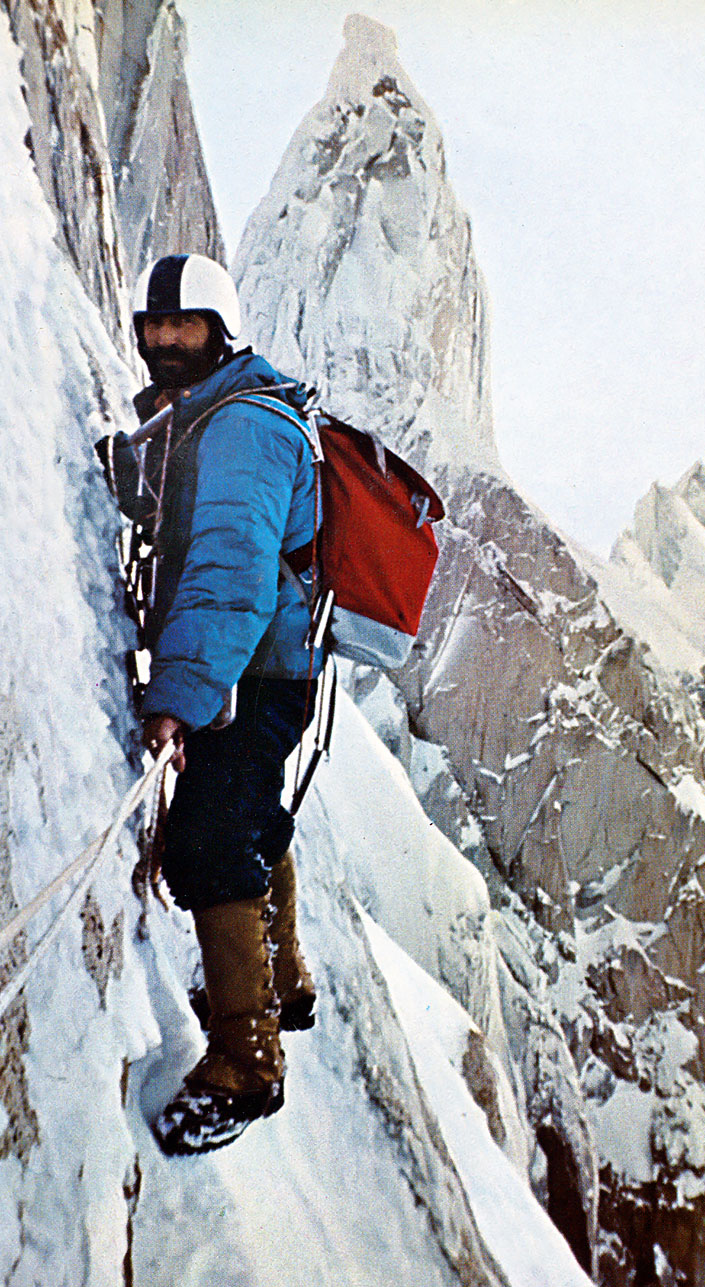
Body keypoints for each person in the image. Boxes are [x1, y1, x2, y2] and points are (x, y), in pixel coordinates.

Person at [96, 253, 323, 1155]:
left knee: (208, 843)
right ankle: (287, 978)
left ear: (220, 331)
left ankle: (247, 1061)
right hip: (265, 669)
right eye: (153, 326)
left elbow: (231, 575)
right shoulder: (217, 413)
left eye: (183, 325)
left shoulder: (243, 429)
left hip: (248, 672)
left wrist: (179, 700)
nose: (163, 341)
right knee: (248, 813)